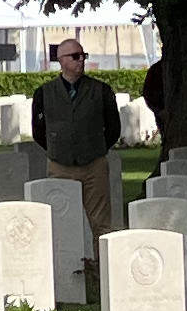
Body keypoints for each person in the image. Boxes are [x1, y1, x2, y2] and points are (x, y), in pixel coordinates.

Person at [31, 38, 124, 243]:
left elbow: (113, 127)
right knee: (60, 219)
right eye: (75, 56)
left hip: (94, 165)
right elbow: (38, 130)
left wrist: (96, 147)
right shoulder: (44, 93)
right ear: (61, 60)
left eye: (83, 55)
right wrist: (57, 148)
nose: (81, 59)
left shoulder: (101, 90)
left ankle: (100, 260)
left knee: (101, 222)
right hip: (60, 166)